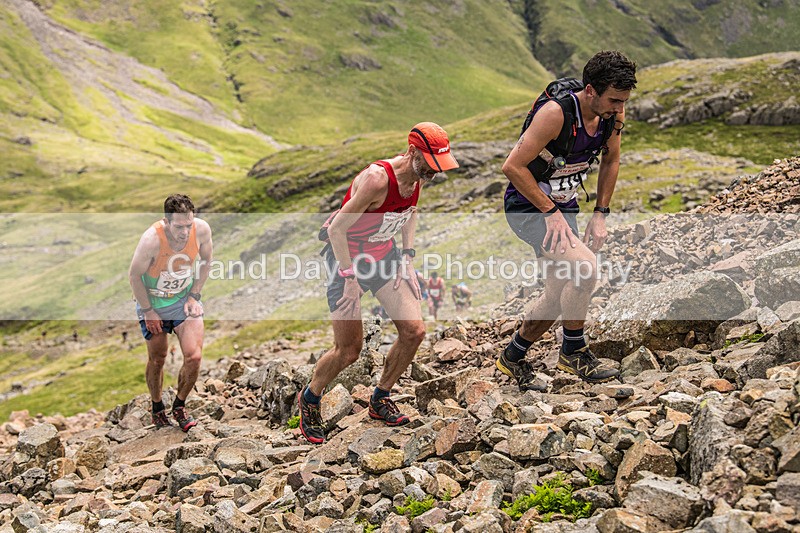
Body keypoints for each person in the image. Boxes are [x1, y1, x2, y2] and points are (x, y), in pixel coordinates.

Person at [298, 122, 459, 444]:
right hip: (345, 260)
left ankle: (380, 397)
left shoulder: (418, 177)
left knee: (414, 331)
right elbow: (336, 230)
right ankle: (311, 398)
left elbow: (410, 212)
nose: (435, 172)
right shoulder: (376, 179)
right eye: (430, 164)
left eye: (439, 166)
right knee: (349, 351)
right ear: (413, 151)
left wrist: (407, 259)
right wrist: (349, 278)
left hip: (385, 258)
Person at [498, 51, 637, 390]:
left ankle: (512, 357)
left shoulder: (611, 115)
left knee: (558, 290)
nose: (619, 108)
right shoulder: (555, 115)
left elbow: (611, 159)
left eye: (624, 101)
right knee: (585, 268)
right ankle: (573, 351)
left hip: (563, 207)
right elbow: (512, 167)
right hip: (528, 206)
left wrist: (600, 214)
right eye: (614, 100)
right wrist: (549, 212)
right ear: (590, 90)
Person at [128, 194, 213, 431]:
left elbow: (207, 261)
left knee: (194, 357)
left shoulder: (202, 231)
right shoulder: (151, 240)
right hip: (153, 304)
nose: (185, 232)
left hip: (183, 301)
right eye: (179, 227)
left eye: (189, 225)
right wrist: (148, 311)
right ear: (166, 222)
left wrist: (194, 294)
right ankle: (157, 407)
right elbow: (134, 276)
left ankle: (180, 405)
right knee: (158, 358)